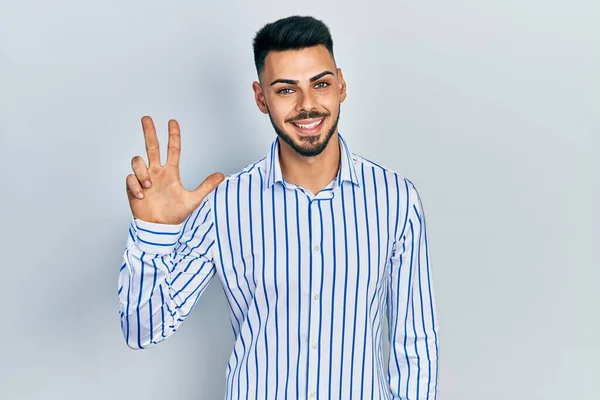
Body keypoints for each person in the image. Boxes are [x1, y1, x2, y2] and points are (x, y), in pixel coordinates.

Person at [118, 15, 439, 400]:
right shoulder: (225, 206)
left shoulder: (396, 200)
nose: (308, 105)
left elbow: (414, 344)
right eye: (286, 90)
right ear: (260, 97)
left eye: (320, 84)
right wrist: (156, 233)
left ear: (341, 84)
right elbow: (142, 330)